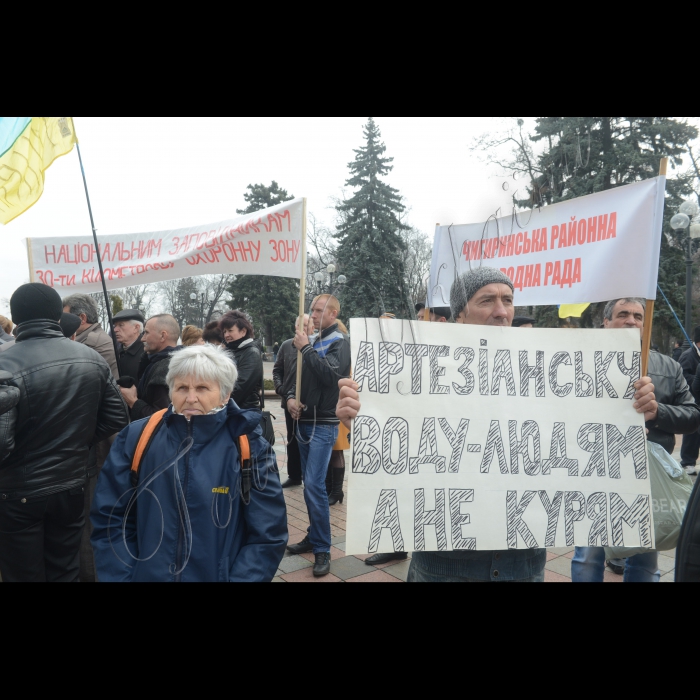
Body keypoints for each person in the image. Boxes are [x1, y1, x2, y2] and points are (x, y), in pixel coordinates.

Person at [338, 267, 548, 583]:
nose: (502, 312)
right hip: (446, 564)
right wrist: (361, 421)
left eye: (508, 300)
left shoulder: (543, 373)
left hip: (523, 561)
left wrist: (628, 409)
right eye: (487, 301)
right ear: (458, 317)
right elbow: (397, 446)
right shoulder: (418, 373)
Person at [91, 344, 288, 582]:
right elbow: (111, 520)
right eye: (182, 387)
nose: (190, 398)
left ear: (225, 394)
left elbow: (267, 535)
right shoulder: (137, 438)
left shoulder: (249, 446)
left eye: (203, 388)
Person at [0, 283, 129, 582]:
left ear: (17, 316)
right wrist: (75, 443)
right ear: (56, 315)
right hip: (71, 484)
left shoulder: (4, 362)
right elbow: (116, 418)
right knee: (65, 570)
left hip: (18, 491)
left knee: (23, 574)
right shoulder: (90, 358)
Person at [572, 298, 700, 584]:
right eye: (622, 314)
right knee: (589, 553)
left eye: (638, 316)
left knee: (644, 556)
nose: (631, 320)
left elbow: (693, 416)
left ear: (646, 323)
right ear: (606, 322)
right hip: (593, 473)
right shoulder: (580, 360)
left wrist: (657, 412)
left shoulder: (668, 366)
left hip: (646, 477)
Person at [286, 294, 351, 577]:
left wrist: (306, 350)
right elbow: (292, 378)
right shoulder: (310, 341)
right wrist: (290, 398)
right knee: (310, 487)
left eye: (317, 310)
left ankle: (323, 548)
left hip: (324, 423)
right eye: (311, 309)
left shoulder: (340, 342)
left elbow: (332, 376)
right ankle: (314, 536)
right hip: (303, 421)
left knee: (314, 485)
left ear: (333, 313)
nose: (312, 314)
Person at [273, 315, 316, 489]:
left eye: (307, 325)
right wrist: (282, 390)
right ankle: (294, 475)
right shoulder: (286, 345)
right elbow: (277, 370)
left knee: (312, 441)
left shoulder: (317, 345)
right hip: (289, 402)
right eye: (300, 325)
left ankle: (312, 478)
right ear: (295, 327)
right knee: (292, 439)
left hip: (312, 404)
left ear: (313, 327)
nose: (304, 328)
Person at [121, 315, 181, 421]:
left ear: (163, 336)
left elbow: (160, 418)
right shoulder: (159, 362)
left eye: (146, 333)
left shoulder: (165, 370)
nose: (142, 338)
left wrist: (133, 401)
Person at [62, 294, 119, 378]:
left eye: (66, 318)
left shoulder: (92, 342)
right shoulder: (93, 336)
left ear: (82, 318)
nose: (62, 322)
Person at [220, 311, 263, 412]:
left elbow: (241, 386)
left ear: (243, 331)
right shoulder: (230, 350)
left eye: (230, 331)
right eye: (224, 331)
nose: (226, 335)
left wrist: (218, 402)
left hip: (244, 412)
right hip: (231, 408)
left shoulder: (251, 353)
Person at [679, 328, 700, 476]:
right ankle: (687, 462)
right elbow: (682, 377)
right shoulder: (688, 356)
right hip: (693, 400)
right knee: (692, 432)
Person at [113, 309, 145, 381]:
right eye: (115, 326)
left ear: (136, 328)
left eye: (121, 325)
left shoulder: (147, 353)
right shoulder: (117, 352)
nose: (115, 329)